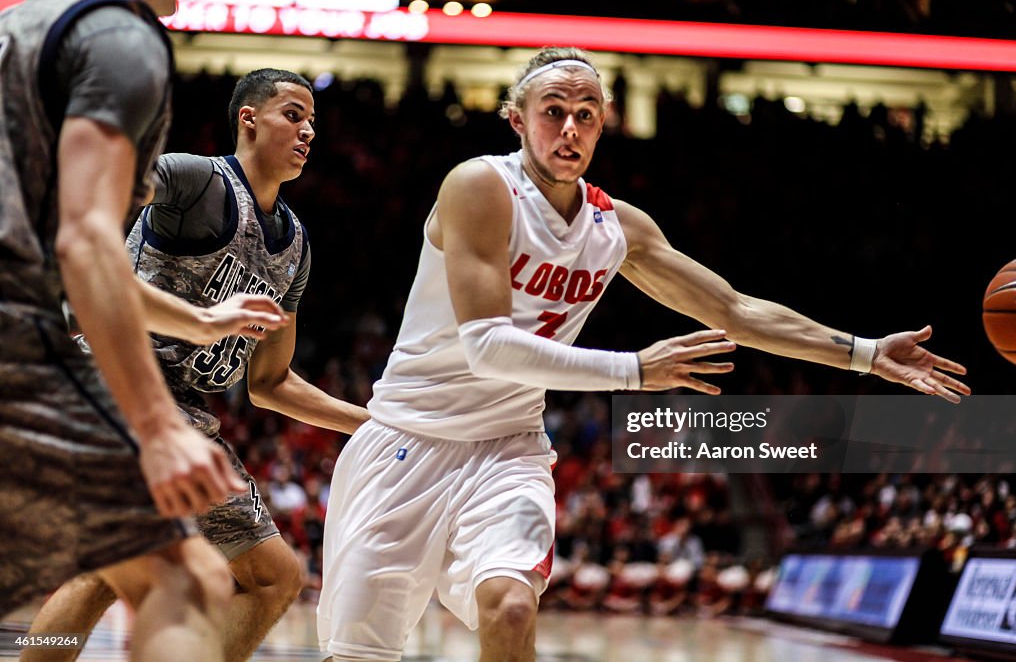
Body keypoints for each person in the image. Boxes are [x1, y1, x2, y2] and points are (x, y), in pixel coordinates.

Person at [315, 46, 970, 661]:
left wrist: (865, 352)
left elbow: (735, 310)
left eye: (586, 115)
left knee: (512, 606)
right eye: (553, 112)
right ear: (516, 119)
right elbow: (485, 346)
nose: (569, 128)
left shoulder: (616, 227)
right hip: (405, 442)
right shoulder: (480, 187)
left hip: (506, 450)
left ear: (603, 126)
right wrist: (633, 370)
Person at [24, 69, 370, 662]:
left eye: (313, 120)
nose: (308, 130)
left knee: (269, 579)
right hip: (117, 384)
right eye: (293, 114)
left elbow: (269, 383)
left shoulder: (296, 247)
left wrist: (372, 424)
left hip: (182, 410)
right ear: (249, 118)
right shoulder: (197, 179)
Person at [0, 0, 295, 661]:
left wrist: (197, 319)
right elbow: (87, 244)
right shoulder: (124, 41)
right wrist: (158, 425)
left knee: (137, 569)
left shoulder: (35, 18)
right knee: (183, 580)